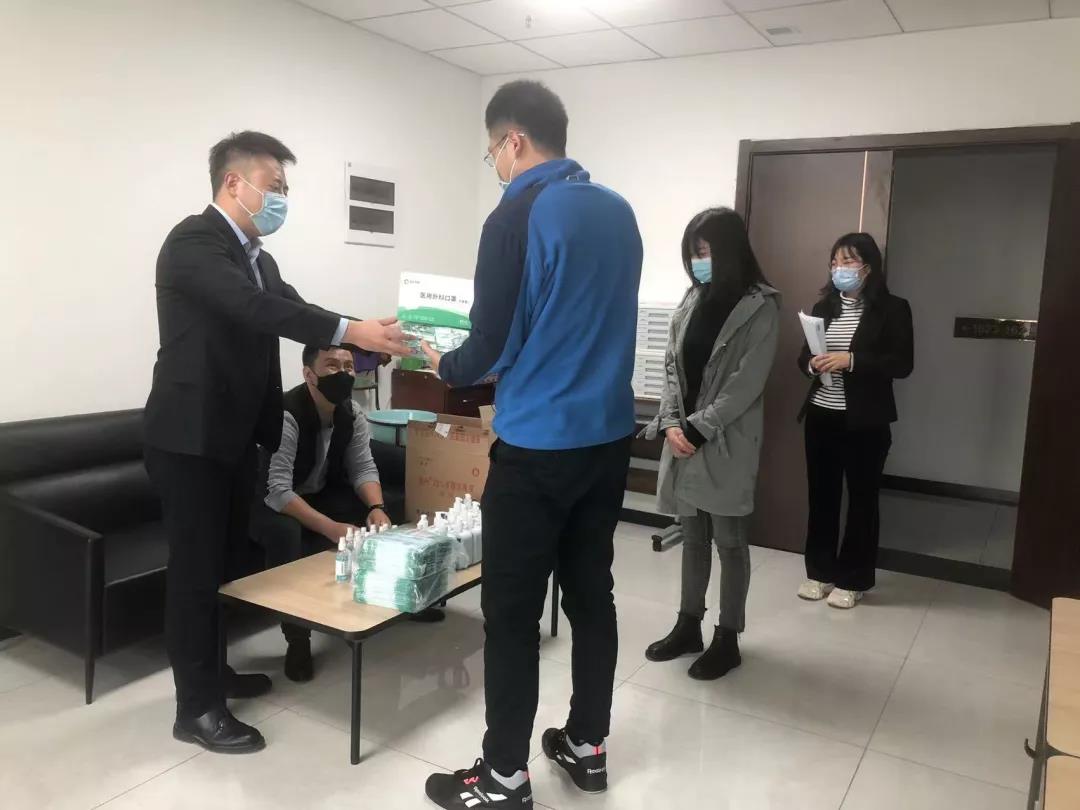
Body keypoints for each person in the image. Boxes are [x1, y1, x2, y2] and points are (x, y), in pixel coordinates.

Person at [143, 131, 409, 755]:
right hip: (189, 439)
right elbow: (255, 310)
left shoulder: (259, 260)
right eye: (275, 186)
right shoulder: (193, 242)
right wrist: (351, 328)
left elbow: (295, 309)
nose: (281, 199)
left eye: (286, 189)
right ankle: (195, 709)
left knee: (224, 567)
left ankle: (214, 674)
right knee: (195, 572)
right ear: (234, 183)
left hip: (236, 440)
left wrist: (368, 337)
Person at [419, 81, 642, 810]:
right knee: (592, 595)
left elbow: (488, 346)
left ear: (513, 140)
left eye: (493, 151)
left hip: (538, 446)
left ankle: (504, 776)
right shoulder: (618, 211)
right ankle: (587, 746)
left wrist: (441, 363)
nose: (495, 164)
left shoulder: (515, 215)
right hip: (607, 440)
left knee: (511, 613)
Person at [642, 208, 780, 680]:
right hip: (684, 436)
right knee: (693, 537)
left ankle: (728, 638)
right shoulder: (692, 299)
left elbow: (746, 383)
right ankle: (688, 626)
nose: (698, 262)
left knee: (730, 542)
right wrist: (670, 423)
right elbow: (670, 366)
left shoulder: (760, 306)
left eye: (705, 251)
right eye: (692, 253)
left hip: (724, 439)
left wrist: (698, 428)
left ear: (729, 250)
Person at [249, 345, 401, 684]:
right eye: (332, 365)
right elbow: (278, 490)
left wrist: (377, 508)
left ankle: (391, 603)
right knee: (286, 534)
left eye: (348, 366)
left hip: (316, 492)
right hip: (268, 501)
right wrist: (331, 528)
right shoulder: (286, 414)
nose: (343, 373)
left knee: (382, 512)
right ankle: (297, 640)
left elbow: (363, 467)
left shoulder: (352, 412)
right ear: (309, 374)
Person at [796, 233, 913, 609]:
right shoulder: (824, 306)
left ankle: (854, 579)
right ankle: (820, 573)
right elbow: (803, 356)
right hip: (821, 416)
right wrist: (811, 363)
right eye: (835, 262)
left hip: (865, 422)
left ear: (868, 267)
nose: (839, 269)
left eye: (847, 262)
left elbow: (902, 363)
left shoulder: (893, 309)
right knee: (822, 498)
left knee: (862, 501)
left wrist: (852, 360)